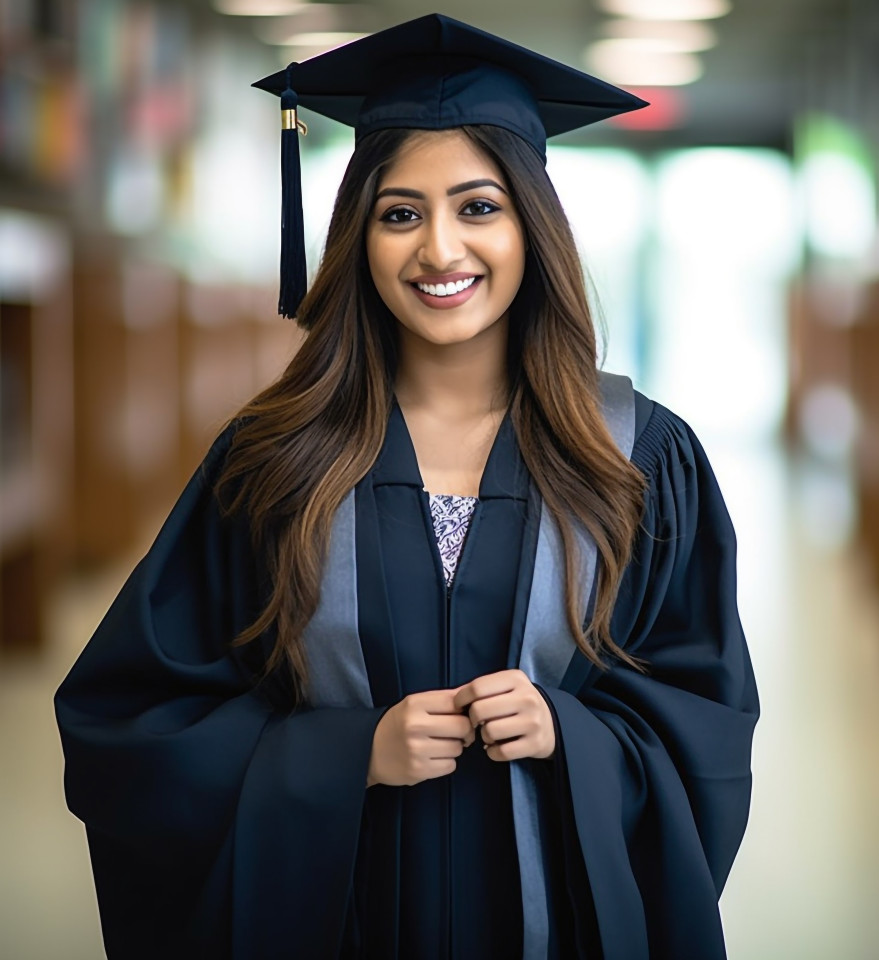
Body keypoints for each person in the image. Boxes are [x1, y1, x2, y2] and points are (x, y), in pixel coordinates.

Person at [55, 13, 759, 960]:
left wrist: (572, 733)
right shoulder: (271, 459)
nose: (438, 250)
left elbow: (700, 724)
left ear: (531, 228)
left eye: (478, 207)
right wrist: (345, 756)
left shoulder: (635, 455)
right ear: (359, 235)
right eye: (400, 213)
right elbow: (131, 725)